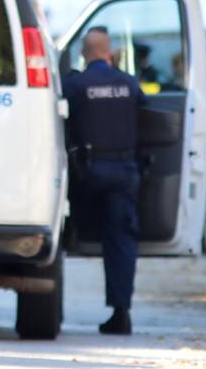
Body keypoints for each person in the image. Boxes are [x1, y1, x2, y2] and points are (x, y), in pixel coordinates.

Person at [63, 29, 147, 335]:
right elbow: (146, 113)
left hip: (88, 173)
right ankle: (121, 312)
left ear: (85, 53)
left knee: (60, 232)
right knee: (121, 240)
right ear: (109, 52)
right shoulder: (129, 83)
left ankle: (48, 308)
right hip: (125, 172)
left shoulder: (76, 84)